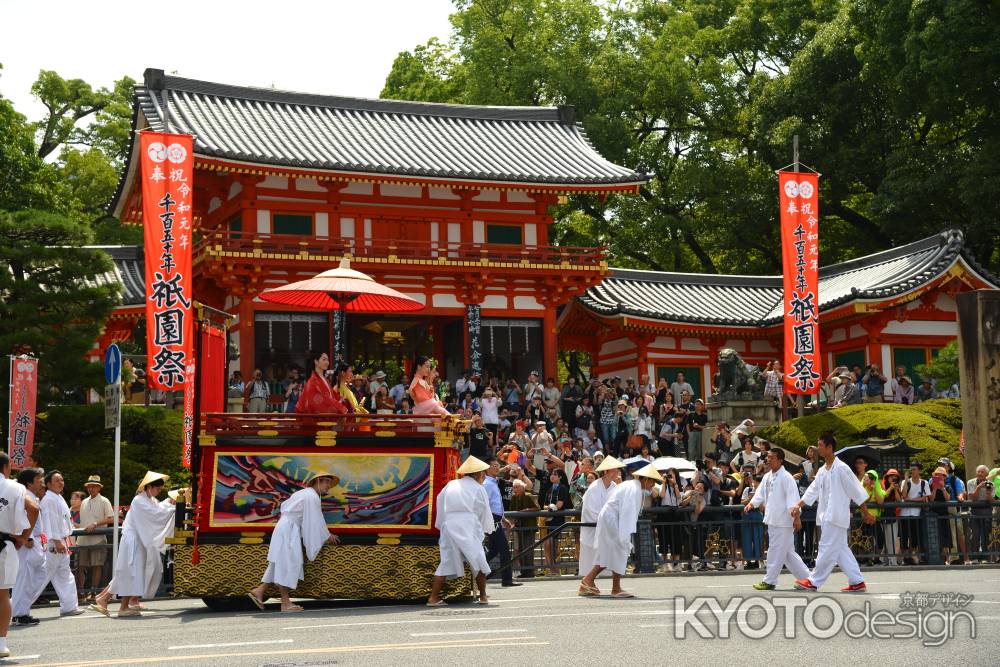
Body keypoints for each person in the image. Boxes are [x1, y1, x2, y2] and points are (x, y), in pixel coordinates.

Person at [791, 434, 875, 592]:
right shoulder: (822, 470)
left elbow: (856, 491)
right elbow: (812, 490)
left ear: (829, 447)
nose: (818, 448)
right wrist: (798, 504)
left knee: (825, 547)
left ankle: (814, 581)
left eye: (820, 445)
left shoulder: (842, 468)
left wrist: (866, 512)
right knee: (841, 551)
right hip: (826, 516)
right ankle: (857, 581)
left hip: (836, 516)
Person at [248, 472, 340, 612]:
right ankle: (285, 603)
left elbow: (312, 519)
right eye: (327, 482)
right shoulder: (311, 496)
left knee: (280, 563)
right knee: (288, 564)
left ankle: (259, 591)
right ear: (318, 481)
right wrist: (327, 535)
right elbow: (316, 520)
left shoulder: (304, 493)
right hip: (289, 530)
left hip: (286, 528)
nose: (328, 486)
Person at [92, 471, 176, 617]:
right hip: (133, 541)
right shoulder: (139, 500)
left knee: (127, 572)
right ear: (149, 487)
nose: (159, 491)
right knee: (131, 573)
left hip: (138, 540)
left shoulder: (149, 500)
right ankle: (121, 606)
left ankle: (103, 599)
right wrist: (175, 508)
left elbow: (159, 509)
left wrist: (170, 503)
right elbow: (157, 514)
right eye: (157, 488)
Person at [578, 464, 663, 598]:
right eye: (652, 481)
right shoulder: (635, 489)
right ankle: (614, 588)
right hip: (613, 521)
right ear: (646, 479)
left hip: (610, 519)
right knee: (619, 550)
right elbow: (627, 513)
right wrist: (625, 535)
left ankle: (589, 581)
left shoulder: (631, 485)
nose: (653, 485)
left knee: (609, 552)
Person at [427, 457, 495, 606]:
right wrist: (482, 528)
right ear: (477, 474)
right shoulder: (478, 488)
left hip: (449, 524)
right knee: (478, 560)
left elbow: (440, 502)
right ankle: (483, 596)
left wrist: (443, 523)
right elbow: (483, 509)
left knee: (446, 562)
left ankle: (433, 598)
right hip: (467, 525)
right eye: (483, 473)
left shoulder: (451, 484)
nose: (484, 475)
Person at [745, 448, 810, 589]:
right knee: (788, 554)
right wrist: (751, 504)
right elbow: (759, 493)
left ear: (780, 460)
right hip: (772, 519)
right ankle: (808, 580)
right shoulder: (767, 476)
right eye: (768, 457)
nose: (768, 460)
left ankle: (770, 581)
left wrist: (796, 518)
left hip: (784, 521)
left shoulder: (787, 478)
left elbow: (793, 500)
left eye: (771, 458)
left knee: (774, 550)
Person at [0, 453, 36, 659]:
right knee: (2, 595)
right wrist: (23, 537)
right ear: (6, 468)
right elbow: (34, 508)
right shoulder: (15, 487)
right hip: (4, 544)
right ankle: (1, 644)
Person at [37, 471, 82, 617]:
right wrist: (57, 541)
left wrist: (62, 541)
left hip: (61, 541)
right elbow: (49, 522)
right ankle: (16, 608)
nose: (61, 482)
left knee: (65, 575)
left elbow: (62, 521)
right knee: (41, 577)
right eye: (57, 480)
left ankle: (69, 606)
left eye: (62, 480)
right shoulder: (49, 499)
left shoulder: (58, 497)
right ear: (48, 484)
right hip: (54, 542)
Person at [579, 456, 624, 579]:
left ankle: (593, 582)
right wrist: (607, 520)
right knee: (594, 560)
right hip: (594, 529)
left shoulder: (615, 487)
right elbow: (590, 511)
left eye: (617, 470)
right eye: (614, 470)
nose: (617, 473)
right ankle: (588, 581)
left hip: (609, 529)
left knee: (609, 556)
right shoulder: (594, 487)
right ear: (606, 471)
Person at [9, 467, 44, 628]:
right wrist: (26, 537)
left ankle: (18, 609)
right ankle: (18, 614)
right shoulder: (23, 496)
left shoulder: (30, 496)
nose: (41, 483)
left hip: (35, 541)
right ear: (29, 483)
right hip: (27, 542)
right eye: (38, 480)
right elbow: (17, 517)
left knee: (37, 577)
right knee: (23, 579)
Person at [76, 475, 115, 600]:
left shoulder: (104, 501)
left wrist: (96, 523)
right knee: (80, 566)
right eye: (89, 486)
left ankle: (93, 592)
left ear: (99, 488)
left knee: (97, 565)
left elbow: (111, 518)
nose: (91, 488)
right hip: (82, 539)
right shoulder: (84, 502)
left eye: (94, 486)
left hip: (98, 538)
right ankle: (80, 592)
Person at [482, 457, 519, 588]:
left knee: (494, 550)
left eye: (498, 465)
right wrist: (491, 520)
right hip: (492, 519)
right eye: (494, 466)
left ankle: (475, 571)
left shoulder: (494, 482)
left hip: (496, 518)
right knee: (504, 549)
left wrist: (503, 518)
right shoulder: (487, 484)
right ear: (487, 469)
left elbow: (496, 504)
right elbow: (485, 504)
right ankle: (507, 579)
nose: (497, 468)